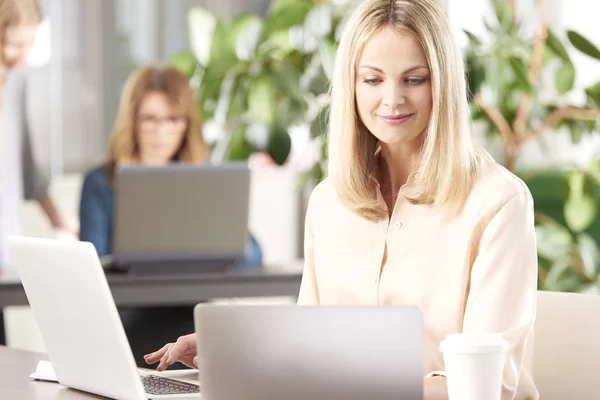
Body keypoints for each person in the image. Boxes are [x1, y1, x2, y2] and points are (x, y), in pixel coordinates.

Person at [143, 1, 539, 399]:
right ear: (350, 84)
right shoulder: (329, 202)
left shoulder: (498, 202)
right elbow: (312, 344)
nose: (392, 99)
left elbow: (491, 385)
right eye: (372, 80)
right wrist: (237, 352)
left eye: (415, 79)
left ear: (444, 83)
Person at [78, 64, 263, 366]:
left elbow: (251, 251)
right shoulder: (101, 182)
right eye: (150, 119)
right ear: (132, 121)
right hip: (127, 318)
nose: (161, 131)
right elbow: (93, 263)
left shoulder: (201, 181)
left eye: (173, 120)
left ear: (186, 125)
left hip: (188, 318)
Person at [0, 0, 74, 344]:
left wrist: (60, 219)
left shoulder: (15, 80)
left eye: (28, 45)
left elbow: (25, 165)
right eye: (12, 44)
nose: (21, 56)